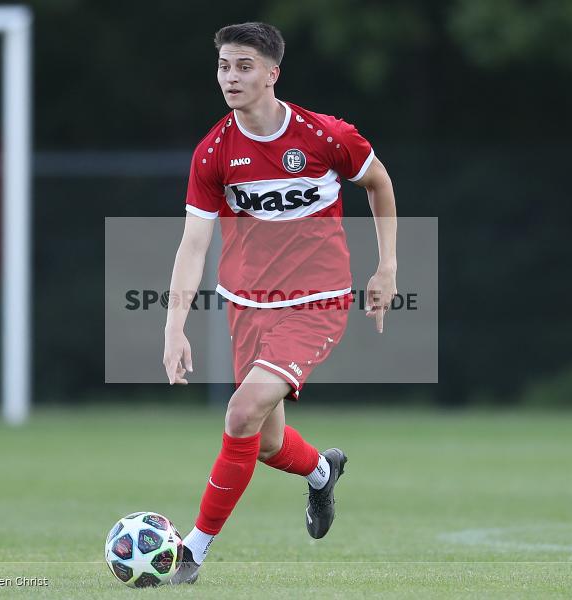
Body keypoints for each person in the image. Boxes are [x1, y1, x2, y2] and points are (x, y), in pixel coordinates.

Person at [162, 22, 397, 585]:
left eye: (244, 66)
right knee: (265, 443)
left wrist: (387, 267)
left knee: (240, 412)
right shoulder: (214, 152)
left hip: (317, 302)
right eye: (224, 66)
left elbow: (379, 183)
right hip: (247, 305)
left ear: (272, 73)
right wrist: (174, 327)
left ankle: (192, 552)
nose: (230, 77)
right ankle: (321, 472)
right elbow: (193, 244)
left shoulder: (324, 135)